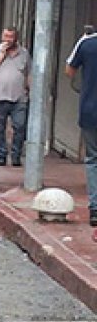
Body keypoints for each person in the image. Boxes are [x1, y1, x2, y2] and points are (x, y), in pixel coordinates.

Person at [0, 28, 31, 167]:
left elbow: (28, 73)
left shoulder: (24, 53)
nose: (8, 39)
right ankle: (1, 155)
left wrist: (30, 91)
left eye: (11, 37)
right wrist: (1, 55)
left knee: (20, 126)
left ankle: (16, 155)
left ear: (16, 38)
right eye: (5, 36)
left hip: (19, 98)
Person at [66, 26, 97, 226]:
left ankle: (95, 209)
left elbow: (69, 71)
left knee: (93, 158)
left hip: (90, 109)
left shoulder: (86, 43)